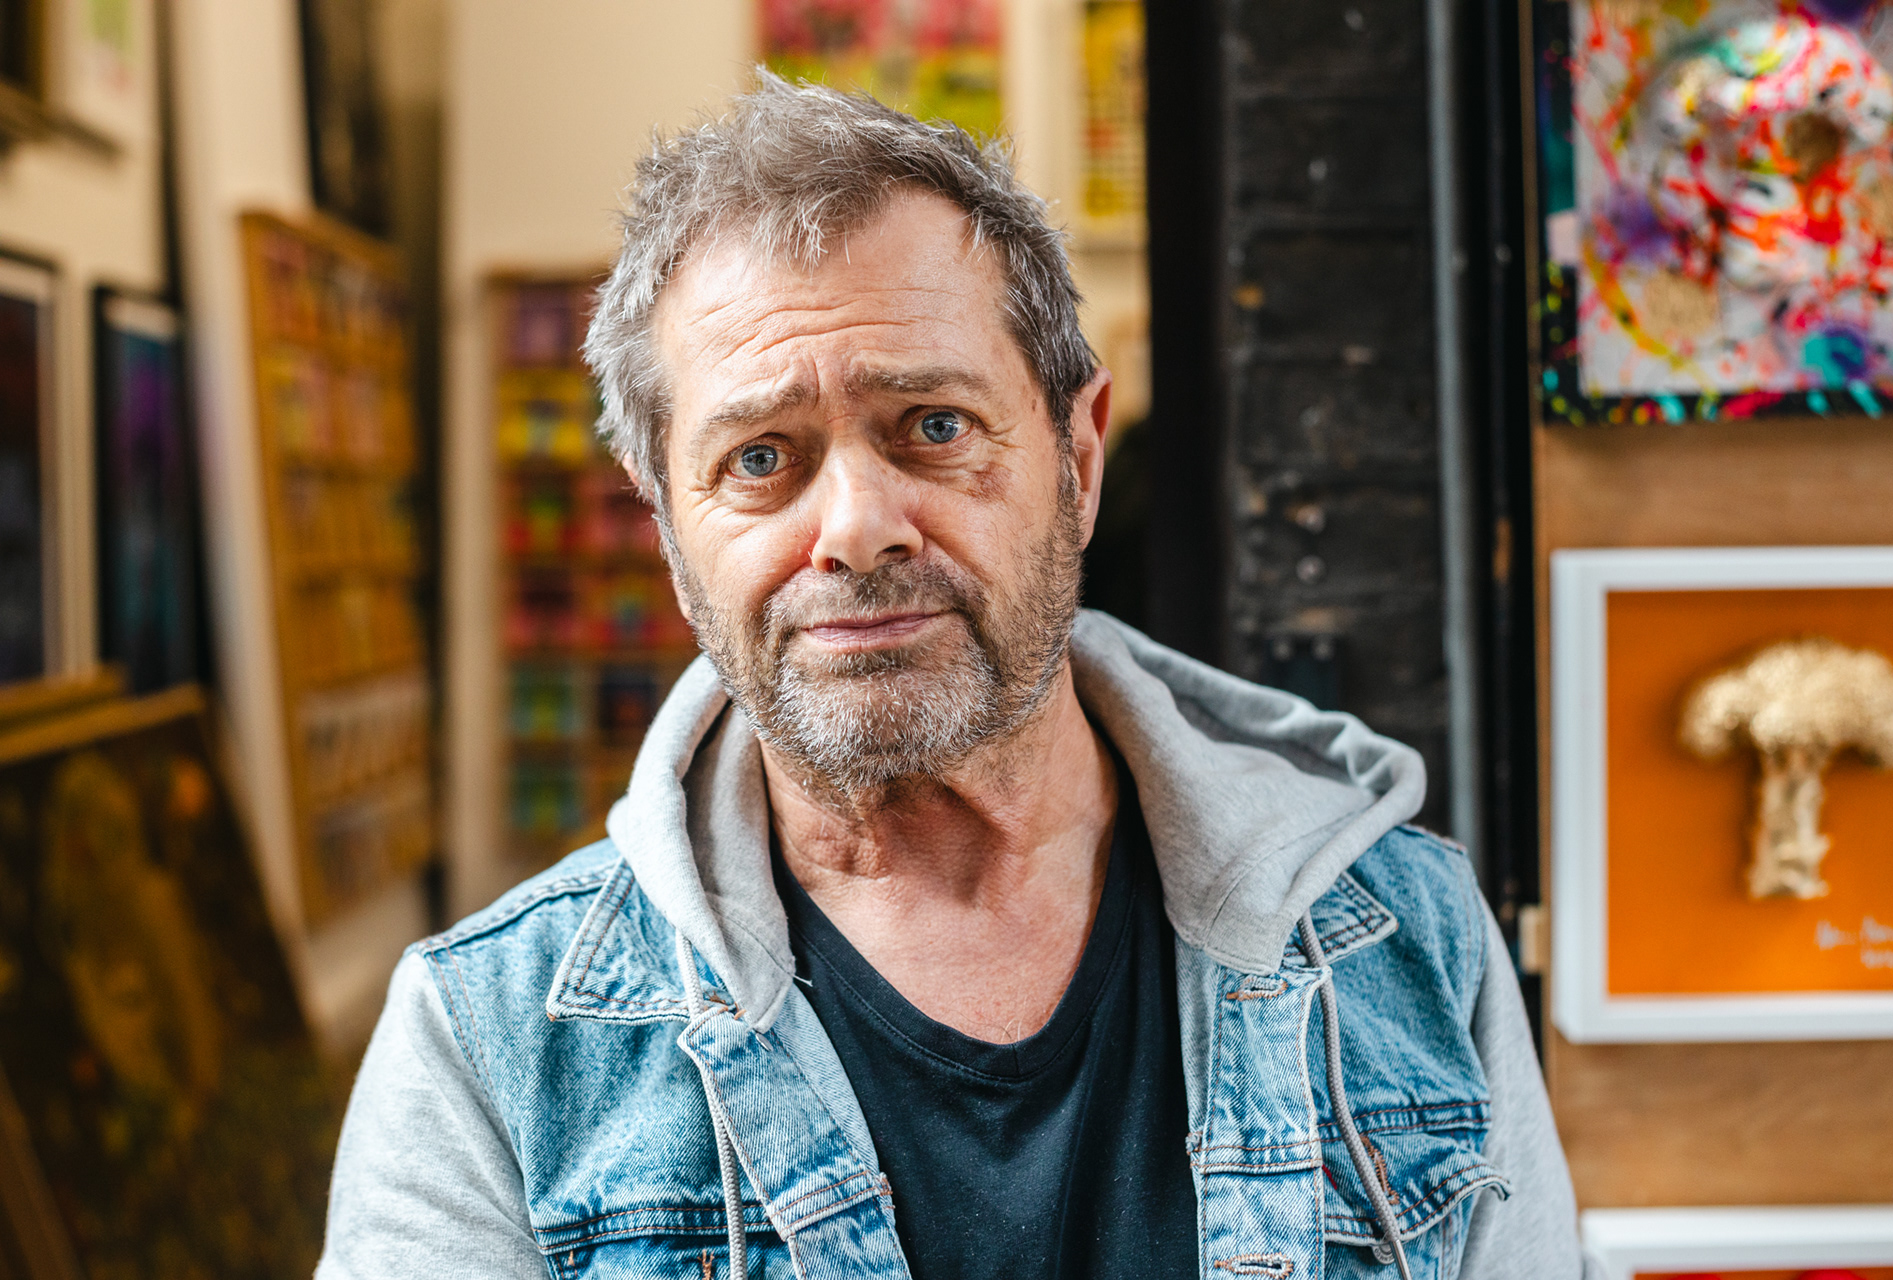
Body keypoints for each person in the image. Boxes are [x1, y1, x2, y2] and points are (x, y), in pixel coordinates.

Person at [320, 73, 1588, 1280]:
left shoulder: (1406, 944)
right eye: (761, 457)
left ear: (1079, 459)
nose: (858, 525)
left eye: (933, 427)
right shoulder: (488, 1049)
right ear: (665, 521)